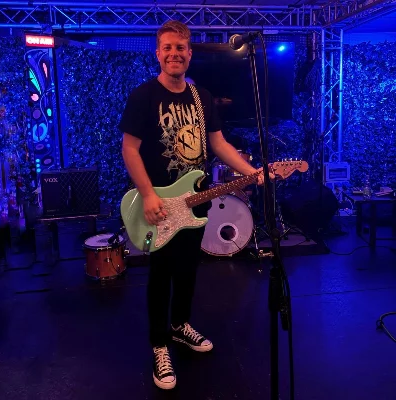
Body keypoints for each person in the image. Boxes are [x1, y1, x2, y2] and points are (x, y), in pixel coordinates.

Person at [119, 20, 265, 390]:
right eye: (168, 47)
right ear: (158, 53)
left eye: (180, 48)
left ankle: (180, 325)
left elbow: (218, 143)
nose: (175, 54)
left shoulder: (202, 98)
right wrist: (148, 194)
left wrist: (252, 172)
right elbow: (130, 149)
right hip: (159, 203)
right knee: (160, 276)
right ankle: (159, 344)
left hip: (195, 201)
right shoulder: (143, 97)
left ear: (189, 53)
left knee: (187, 270)